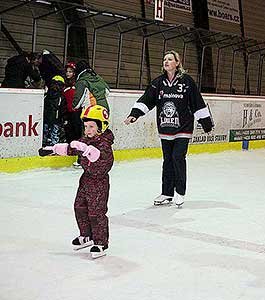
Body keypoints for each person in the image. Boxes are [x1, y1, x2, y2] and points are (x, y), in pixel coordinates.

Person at [124, 50, 213, 207]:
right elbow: (147, 99)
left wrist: (205, 122)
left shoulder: (186, 81)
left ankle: (180, 192)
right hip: (165, 128)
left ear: (177, 63)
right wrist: (135, 114)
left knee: (178, 158)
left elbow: (196, 102)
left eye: (170, 59)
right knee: (167, 161)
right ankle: (166, 193)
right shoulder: (158, 83)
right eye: (164, 59)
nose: (166, 61)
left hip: (183, 128)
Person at [38, 105, 114, 259]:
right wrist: (52, 149)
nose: (88, 130)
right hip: (85, 180)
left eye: (92, 126)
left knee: (96, 212)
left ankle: (101, 242)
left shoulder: (104, 143)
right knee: (79, 207)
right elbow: (72, 148)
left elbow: (99, 158)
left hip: (98, 182)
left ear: (101, 126)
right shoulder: (86, 139)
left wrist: (86, 150)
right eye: (86, 126)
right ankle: (86, 235)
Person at [42, 75, 66, 146]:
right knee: (54, 134)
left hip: (46, 119)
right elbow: (63, 110)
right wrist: (64, 119)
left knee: (45, 133)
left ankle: (45, 143)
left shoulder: (46, 96)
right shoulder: (61, 98)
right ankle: (53, 146)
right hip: (56, 120)